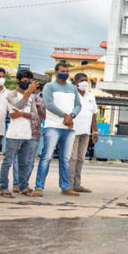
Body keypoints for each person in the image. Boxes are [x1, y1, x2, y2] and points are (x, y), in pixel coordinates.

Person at [32, 63, 81, 197]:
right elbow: (49, 104)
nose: (64, 73)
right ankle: (39, 187)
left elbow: (78, 105)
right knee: (46, 157)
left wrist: (71, 116)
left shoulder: (72, 88)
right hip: (53, 126)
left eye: (66, 71)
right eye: (62, 71)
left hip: (69, 127)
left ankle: (65, 187)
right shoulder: (49, 86)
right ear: (56, 72)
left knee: (65, 158)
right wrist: (64, 115)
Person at [0, 70, 38, 197]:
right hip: (13, 134)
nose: (26, 83)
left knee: (23, 163)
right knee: (7, 162)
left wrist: (21, 114)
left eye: (28, 82)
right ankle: (4, 187)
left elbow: (35, 115)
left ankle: (23, 186)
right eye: (24, 81)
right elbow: (19, 105)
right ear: (18, 80)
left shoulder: (31, 97)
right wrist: (27, 93)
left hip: (27, 134)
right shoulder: (11, 94)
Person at [68, 73, 98, 194]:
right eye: (81, 80)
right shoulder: (72, 95)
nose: (84, 82)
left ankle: (77, 184)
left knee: (80, 158)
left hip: (85, 132)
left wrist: (94, 131)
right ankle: (68, 185)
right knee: (73, 158)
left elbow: (94, 114)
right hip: (73, 131)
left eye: (86, 80)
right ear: (75, 82)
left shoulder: (91, 96)